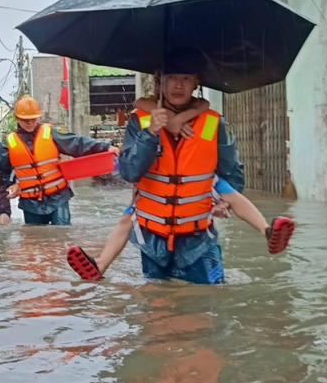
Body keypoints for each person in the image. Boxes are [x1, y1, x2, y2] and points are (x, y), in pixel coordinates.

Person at [84, 67, 292, 285]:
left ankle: (268, 231)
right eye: (171, 77)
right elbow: (129, 172)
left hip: (199, 238)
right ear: (159, 83)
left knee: (210, 300)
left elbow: (232, 172)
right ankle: (99, 266)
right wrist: (151, 133)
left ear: (196, 83)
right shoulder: (141, 121)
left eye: (186, 78)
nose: (179, 84)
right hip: (153, 236)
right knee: (157, 305)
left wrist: (224, 204)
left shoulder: (213, 122)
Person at [7, 96, 119, 226]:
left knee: (62, 234)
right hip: (30, 203)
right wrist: (12, 184)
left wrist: (105, 147)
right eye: (25, 119)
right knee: (34, 240)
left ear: (39, 116)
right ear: (17, 118)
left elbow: (78, 143)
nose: (30, 122)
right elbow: (3, 168)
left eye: (33, 118)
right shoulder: (9, 143)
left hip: (58, 197)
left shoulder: (52, 133)